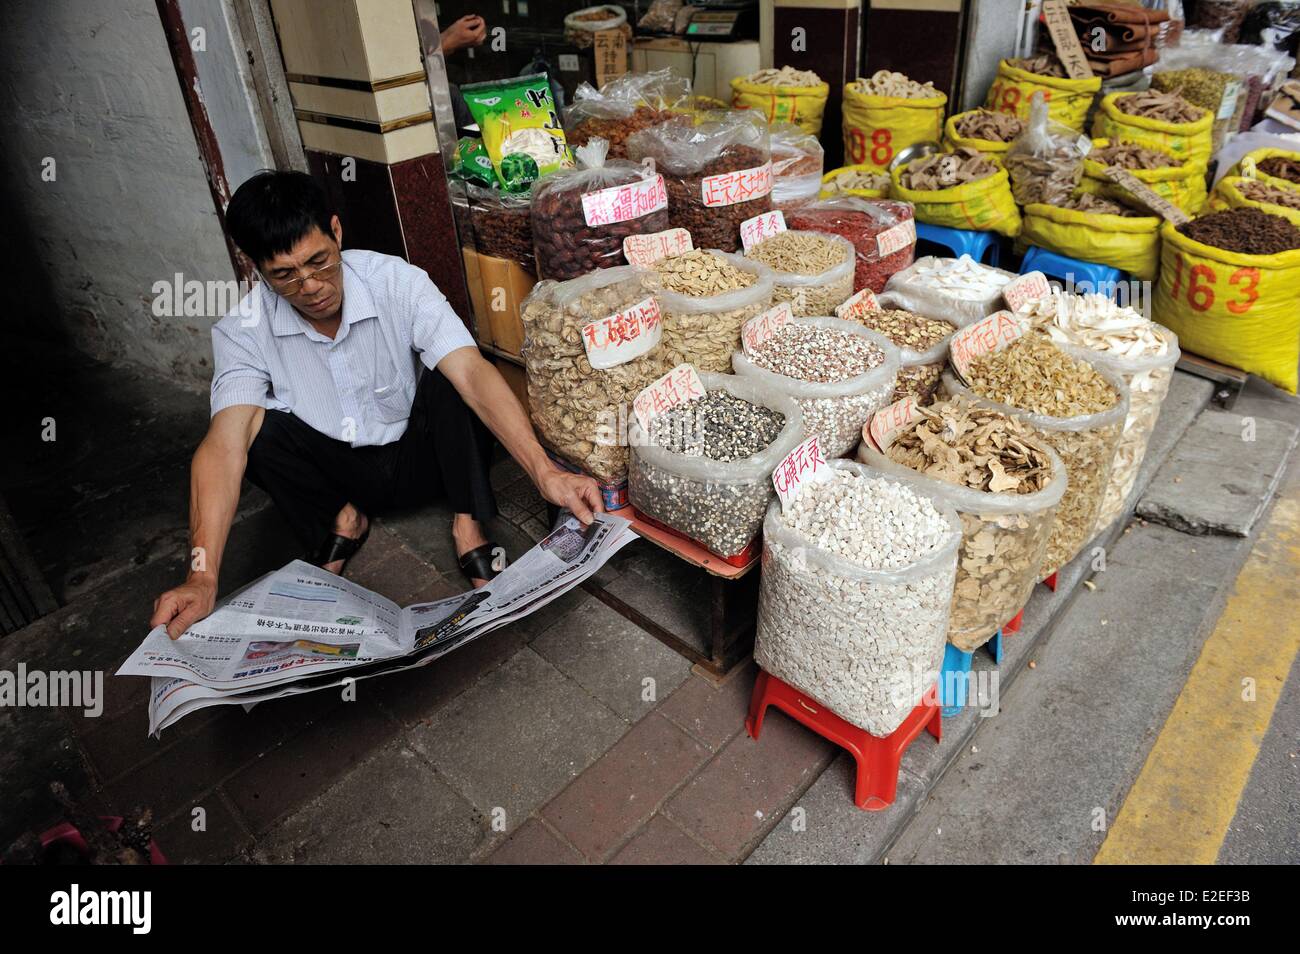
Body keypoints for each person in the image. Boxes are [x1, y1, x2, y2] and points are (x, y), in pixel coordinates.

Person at [149, 170, 603, 639]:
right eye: (285, 275)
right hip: (338, 472)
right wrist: (201, 577)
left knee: (455, 372)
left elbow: (470, 372)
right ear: (257, 268)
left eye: (320, 262)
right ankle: (344, 516)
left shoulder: (396, 282)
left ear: (337, 231)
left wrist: (544, 472)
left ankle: (468, 524)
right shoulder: (242, 330)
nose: (310, 286)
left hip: (420, 458)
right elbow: (222, 448)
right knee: (253, 429)